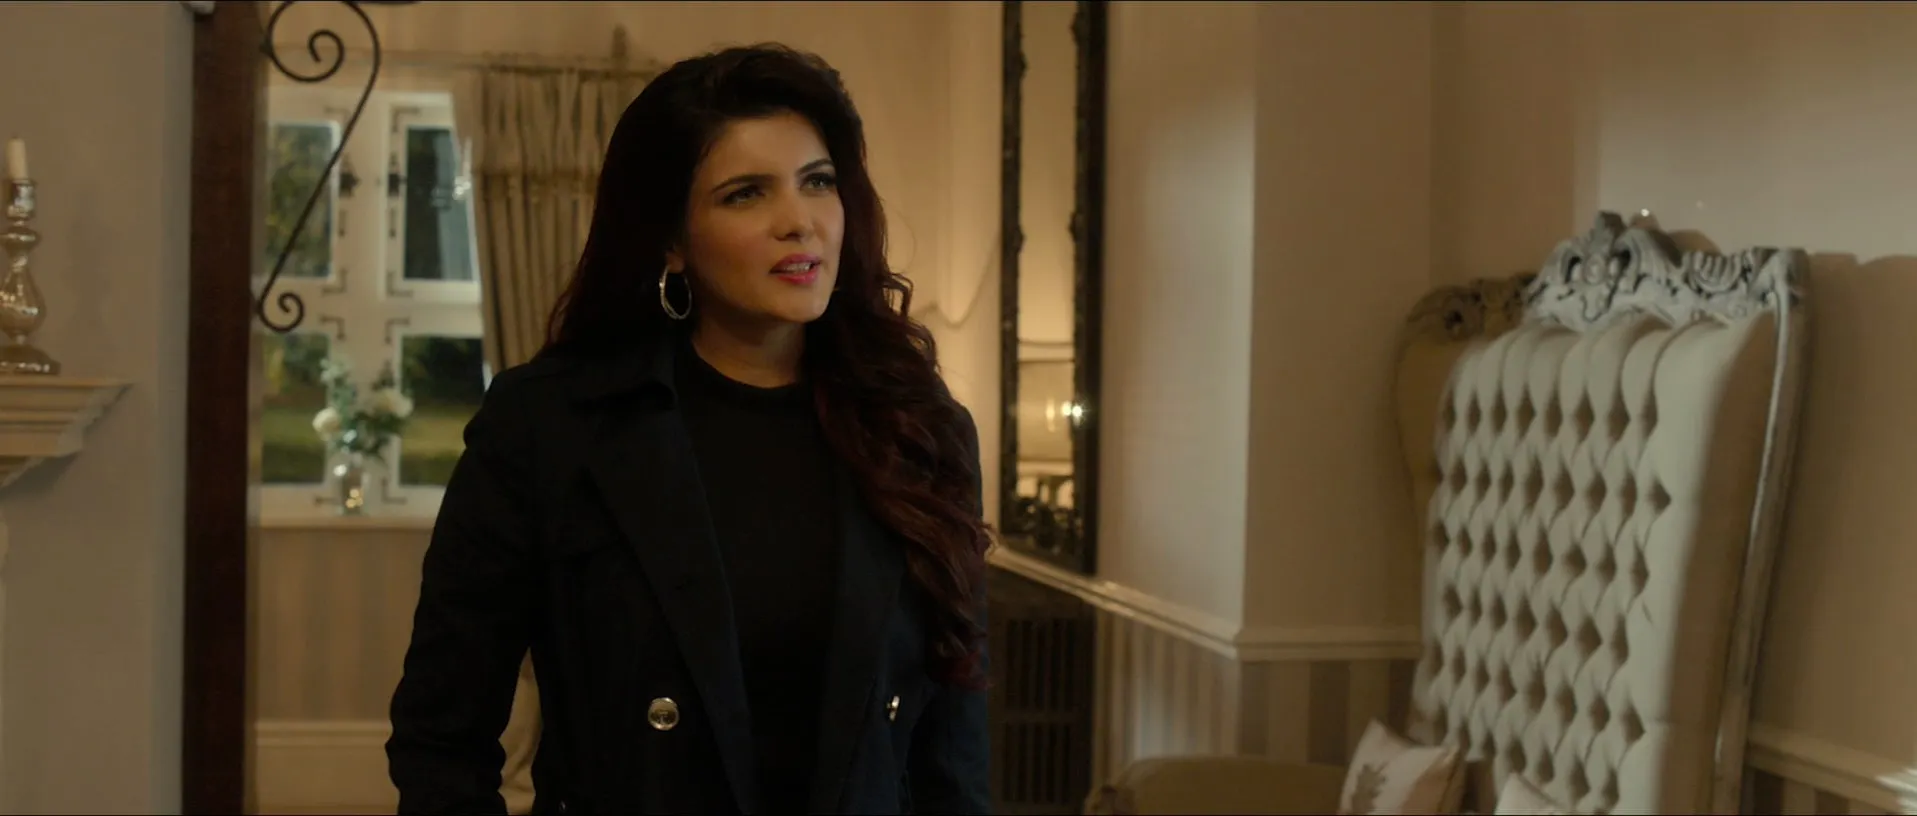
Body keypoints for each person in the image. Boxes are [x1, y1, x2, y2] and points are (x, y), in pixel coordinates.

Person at [385, 43, 994, 815]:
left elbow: (953, 752)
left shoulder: (919, 430)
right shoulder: (551, 424)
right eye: (746, 194)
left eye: (817, 182)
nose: (799, 222)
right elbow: (441, 735)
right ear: (671, 240)